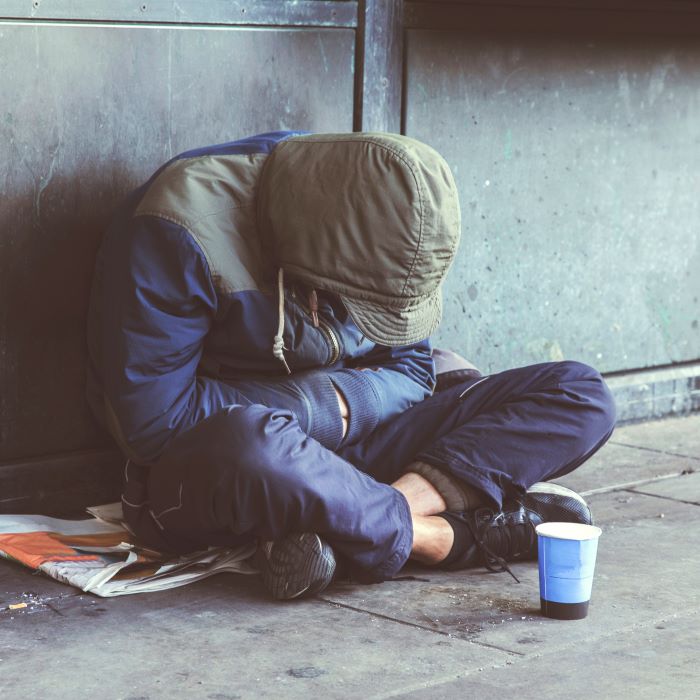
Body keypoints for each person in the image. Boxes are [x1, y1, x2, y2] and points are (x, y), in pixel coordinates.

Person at [86, 131, 616, 600]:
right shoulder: (175, 231)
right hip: (232, 467)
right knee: (248, 445)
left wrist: (349, 417)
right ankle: (449, 538)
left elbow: (412, 369)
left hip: (361, 442)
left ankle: (349, 520)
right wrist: (326, 407)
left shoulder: (388, 215)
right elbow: (157, 426)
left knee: (581, 393)